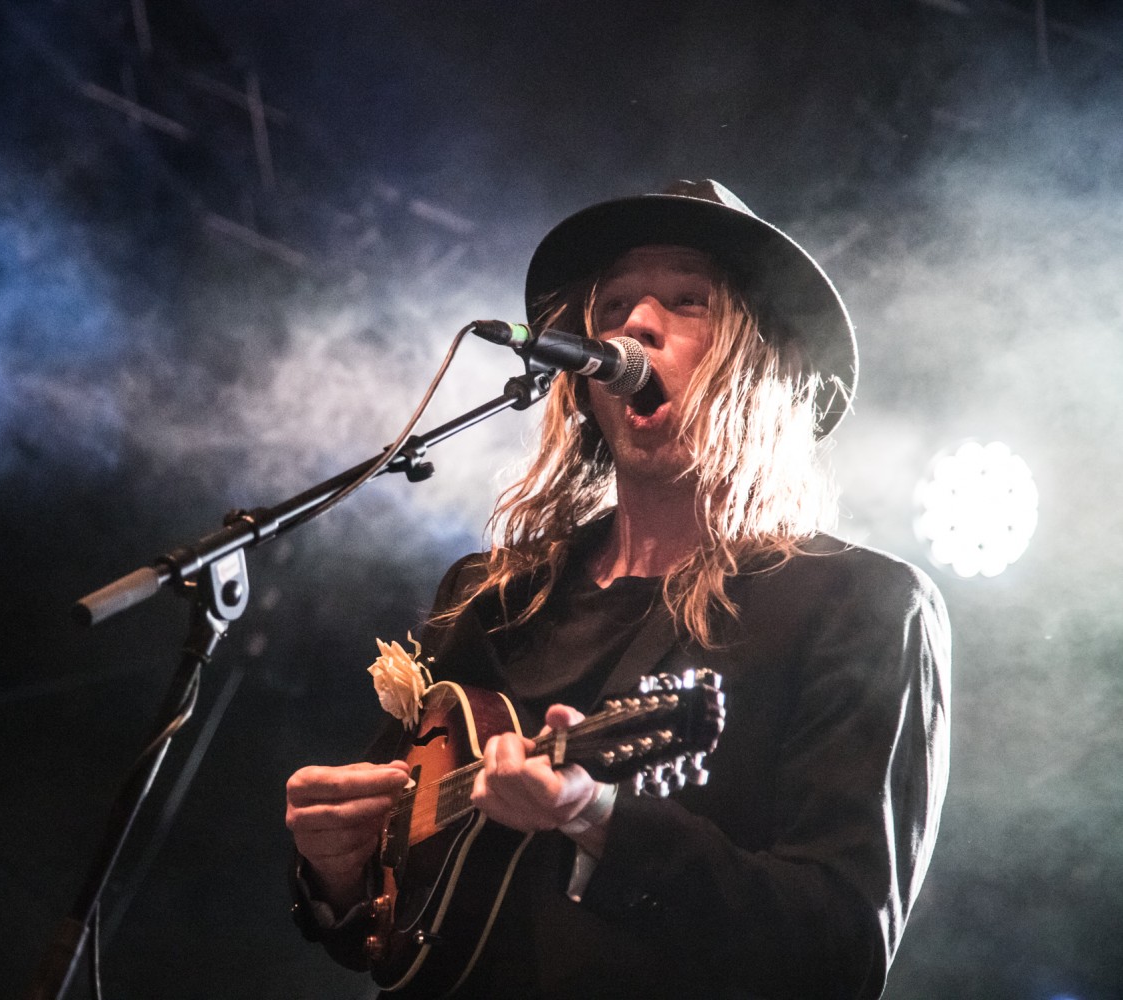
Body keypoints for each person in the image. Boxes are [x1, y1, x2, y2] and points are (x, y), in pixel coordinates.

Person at [284, 179, 950, 999]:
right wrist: (337, 874)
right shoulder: (489, 597)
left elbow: (839, 948)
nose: (636, 325)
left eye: (686, 301)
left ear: (761, 358)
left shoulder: (857, 603)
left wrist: (600, 819)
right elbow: (390, 919)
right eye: (616, 307)